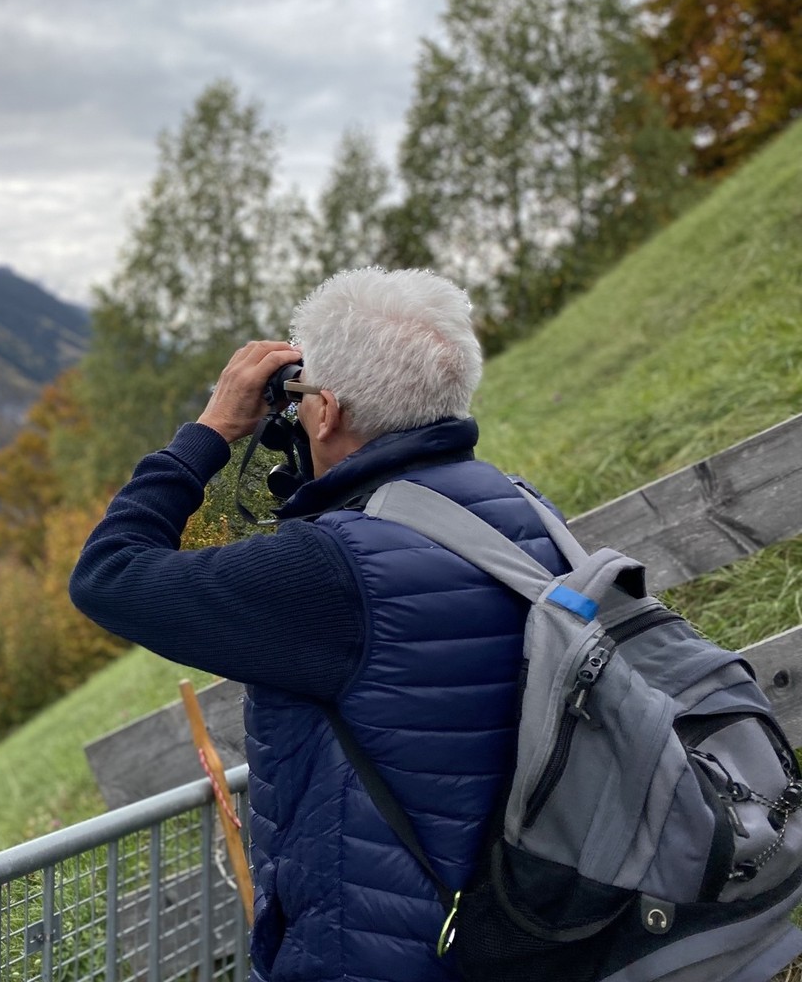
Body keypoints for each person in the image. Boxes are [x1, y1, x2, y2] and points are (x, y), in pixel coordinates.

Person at [69, 267, 571, 982]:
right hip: (533, 924)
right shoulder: (521, 509)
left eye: (302, 400)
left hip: (382, 955)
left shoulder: (330, 569)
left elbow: (107, 575)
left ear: (327, 410)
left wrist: (210, 430)